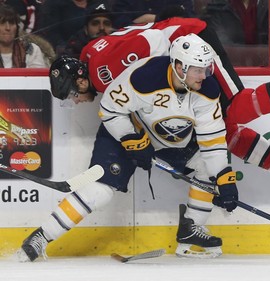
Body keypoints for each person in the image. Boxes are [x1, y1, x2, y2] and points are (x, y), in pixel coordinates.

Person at [49, 17, 270, 216]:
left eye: (72, 95)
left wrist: (179, 58)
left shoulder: (102, 73)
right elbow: (142, 33)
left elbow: (150, 44)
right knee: (223, 127)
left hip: (192, 45)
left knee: (235, 108)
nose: (76, 101)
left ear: (79, 78)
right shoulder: (91, 53)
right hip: (181, 57)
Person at [17, 34, 239, 261]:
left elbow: (212, 139)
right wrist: (130, 139)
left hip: (169, 139)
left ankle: (191, 232)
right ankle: (41, 237)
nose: (205, 75)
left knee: (206, 166)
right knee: (100, 191)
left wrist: (223, 178)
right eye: (198, 70)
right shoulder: (144, 77)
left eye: (205, 69)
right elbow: (109, 110)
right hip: (126, 134)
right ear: (180, 67)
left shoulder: (208, 89)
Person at [0, 3, 48, 68]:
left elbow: (38, 77)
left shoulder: (31, 50)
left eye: (12, 23)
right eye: (2, 23)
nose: (8, 28)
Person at [202, 0, 269, 45]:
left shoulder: (269, 5)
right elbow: (220, 41)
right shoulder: (217, 6)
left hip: (264, 60)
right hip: (232, 60)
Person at [111, 0, 195, 28]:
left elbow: (191, 23)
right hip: (135, 45)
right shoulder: (124, 2)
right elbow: (118, 24)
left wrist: (156, 19)